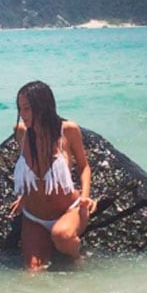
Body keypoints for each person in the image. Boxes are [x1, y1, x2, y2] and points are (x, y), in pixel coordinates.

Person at [9, 81, 96, 270]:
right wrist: (22, 197)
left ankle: (77, 257)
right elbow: (33, 170)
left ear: (43, 106)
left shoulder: (68, 130)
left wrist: (85, 197)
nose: (22, 115)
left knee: (62, 236)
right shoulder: (21, 133)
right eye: (20, 109)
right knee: (32, 271)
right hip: (34, 216)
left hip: (68, 209)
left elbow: (84, 167)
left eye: (27, 109)